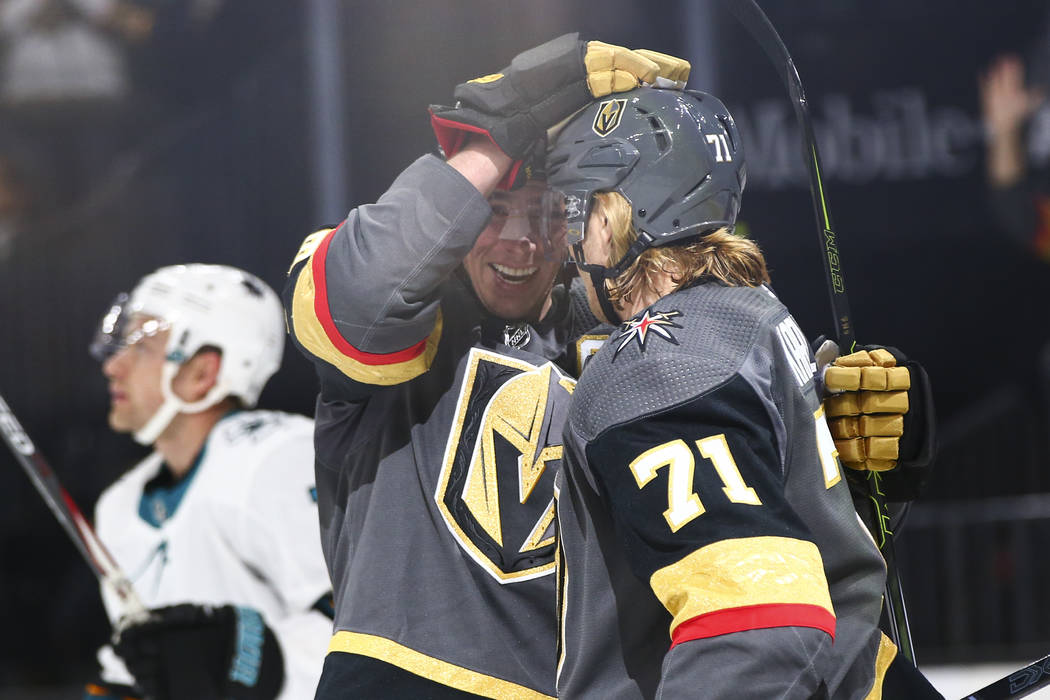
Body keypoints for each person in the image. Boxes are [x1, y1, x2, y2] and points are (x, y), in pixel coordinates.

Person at [283, 34, 688, 698]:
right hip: (395, 679)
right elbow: (364, 290)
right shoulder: (408, 322)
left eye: (547, 214)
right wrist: (502, 130)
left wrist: (835, 455)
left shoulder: (627, 344)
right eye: (495, 212)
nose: (522, 241)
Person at [547, 86, 942, 698]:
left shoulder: (659, 363)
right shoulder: (747, 314)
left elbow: (759, 628)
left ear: (626, 212)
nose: (571, 242)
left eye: (581, 211)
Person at [85, 263, 332, 700]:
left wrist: (249, 665)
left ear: (202, 373)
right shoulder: (118, 507)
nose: (114, 366)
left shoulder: (275, 459)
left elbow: (365, 632)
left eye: (142, 345)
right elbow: (146, 662)